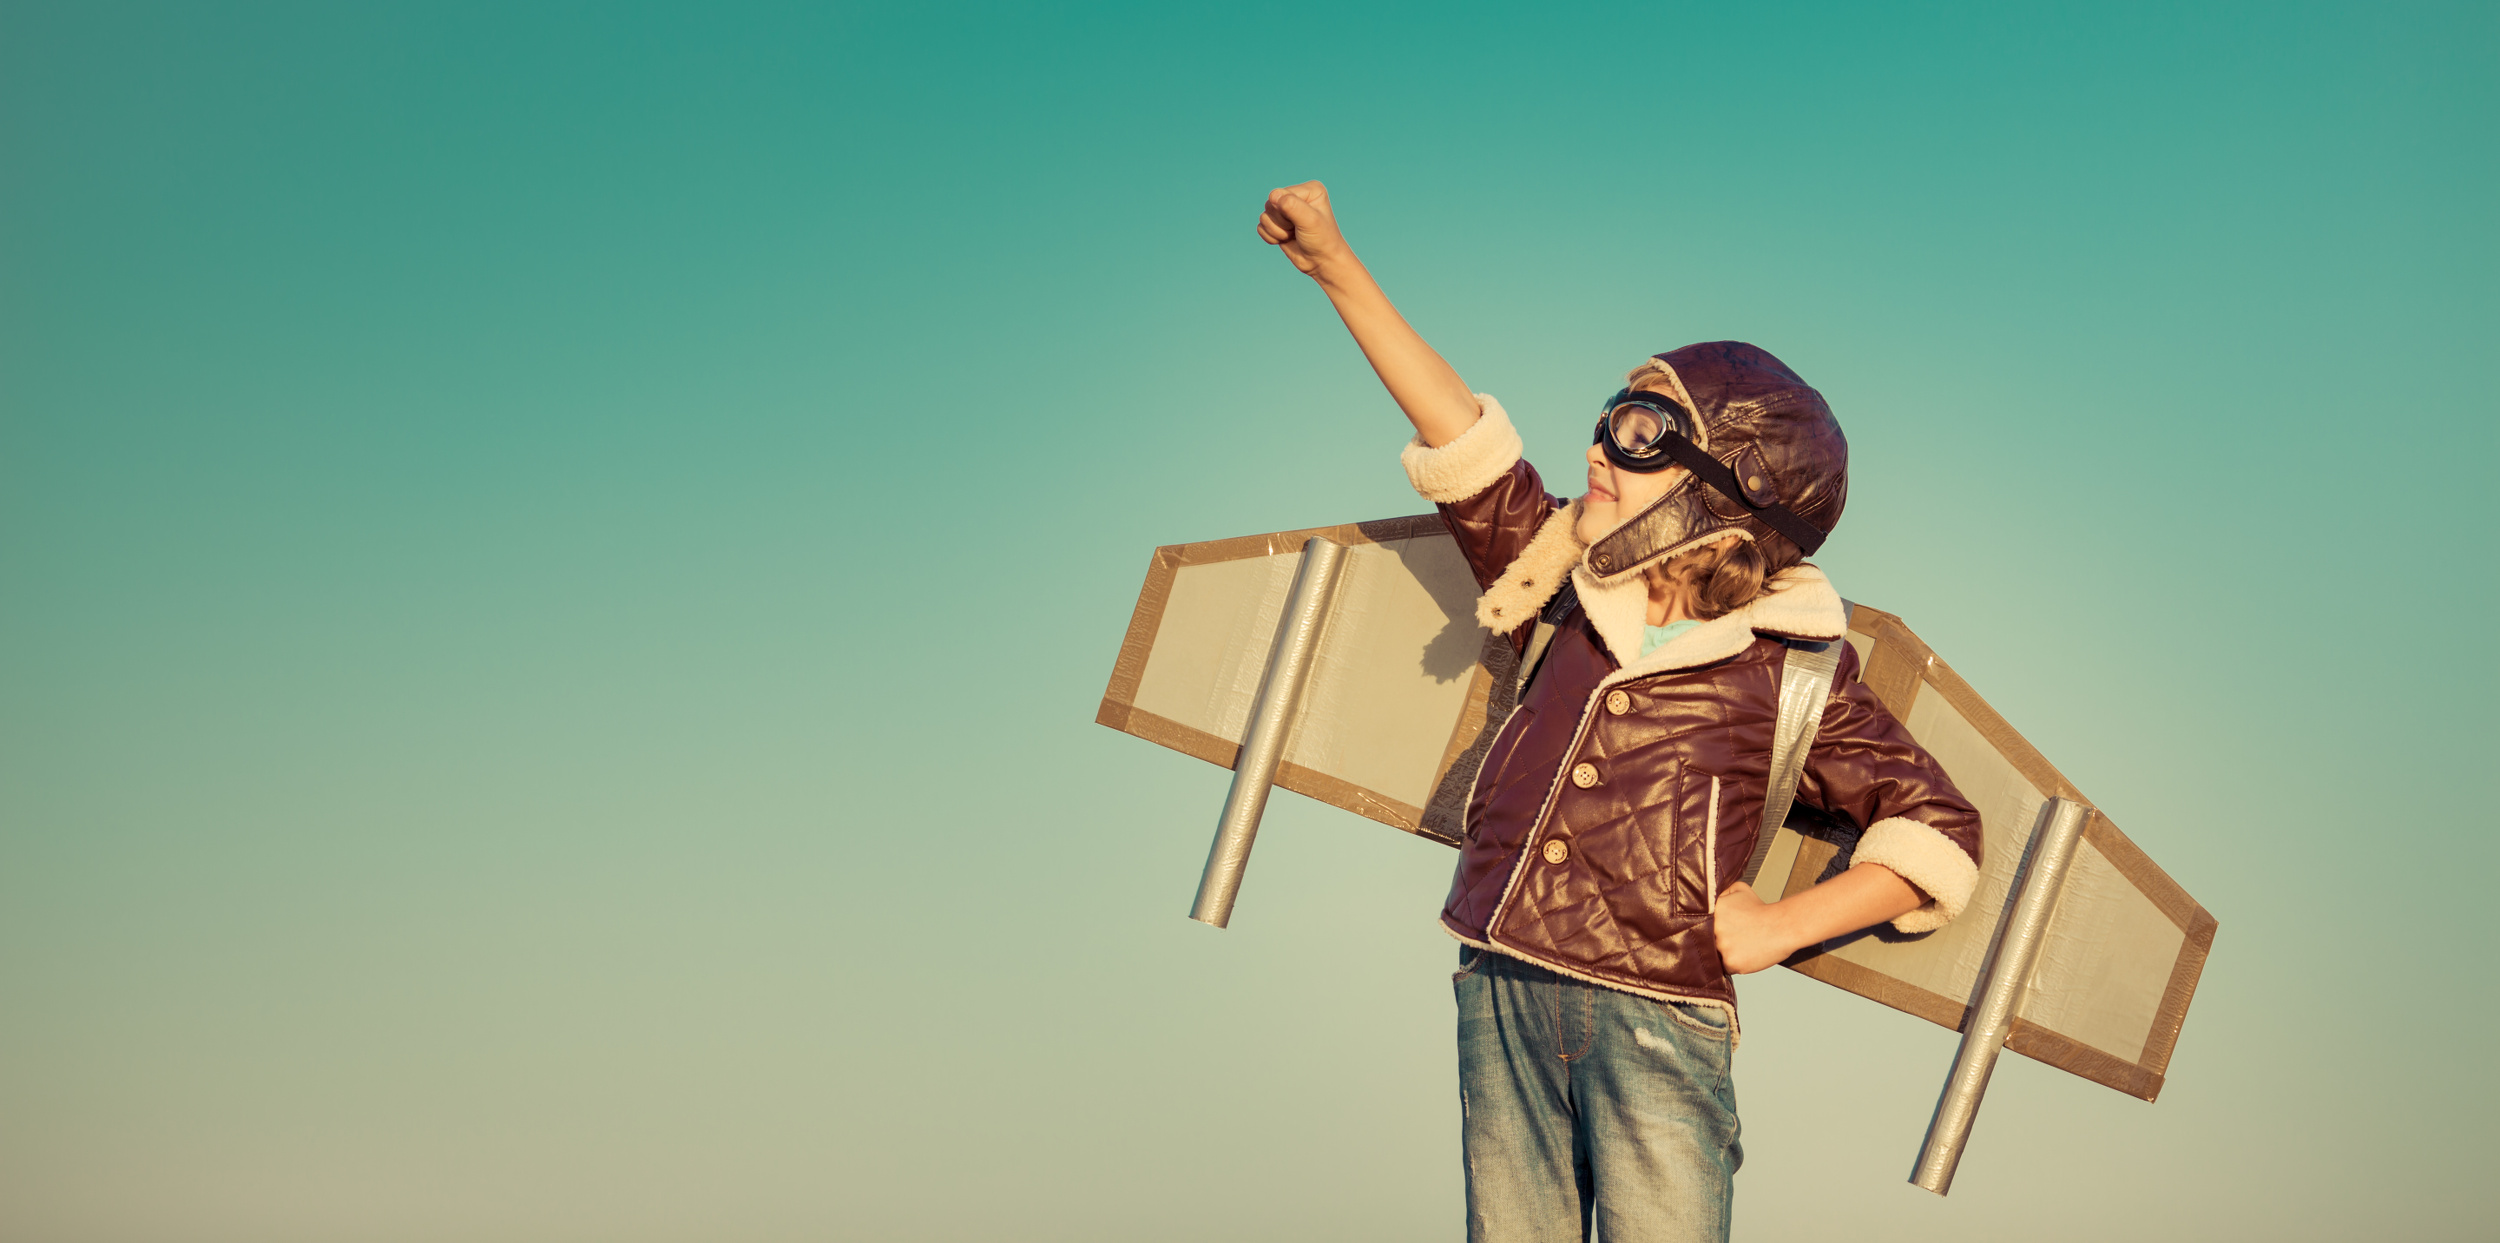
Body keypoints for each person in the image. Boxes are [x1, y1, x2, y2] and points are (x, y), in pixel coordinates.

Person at [1255, 180, 1985, 1243]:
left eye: (1641, 432)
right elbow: (1462, 441)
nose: (1599, 445)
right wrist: (1334, 265)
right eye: (1608, 417)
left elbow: (1938, 826)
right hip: (1499, 979)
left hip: (1660, 1017)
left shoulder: (1792, 667)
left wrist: (1785, 924)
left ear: (1719, 491)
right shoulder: (1554, 582)